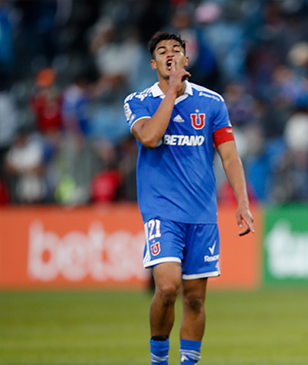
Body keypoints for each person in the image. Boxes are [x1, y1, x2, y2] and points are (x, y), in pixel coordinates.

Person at [123, 32, 254, 365]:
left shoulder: (212, 103)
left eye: (177, 50)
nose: (170, 55)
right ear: (153, 63)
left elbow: (229, 156)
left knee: (195, 300)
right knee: (168, 287)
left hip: (202, 214)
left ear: (186, 59)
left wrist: (242, 202)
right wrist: (171, 91)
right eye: (163, 52)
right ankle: (158, 360)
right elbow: (151, 137)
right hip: (161, 212)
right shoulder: (137, 101)